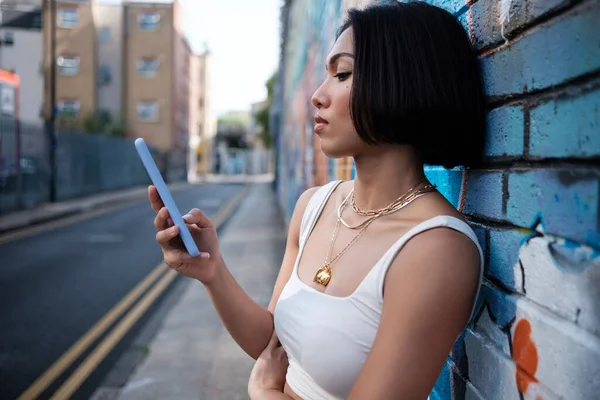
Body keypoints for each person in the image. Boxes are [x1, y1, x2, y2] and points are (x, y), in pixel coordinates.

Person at [148, 1, 486, 399]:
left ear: (402, 81)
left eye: (342, 73)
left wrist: (263, 394)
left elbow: (268, 377)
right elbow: (274, 344)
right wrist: (212, 271)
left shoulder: (436, 249)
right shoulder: (314, 206)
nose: (318, 96)